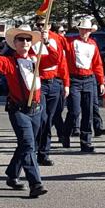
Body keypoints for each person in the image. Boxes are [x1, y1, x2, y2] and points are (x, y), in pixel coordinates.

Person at [0, 25, 56, 198]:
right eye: (21, 39)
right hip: (19, 110)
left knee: (25, 145)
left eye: (28, 40)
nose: (25, 42)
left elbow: (55, 60)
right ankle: (36, 183)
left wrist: (47, 42)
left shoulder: (37, 61)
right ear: (15, 43)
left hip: (36, 109)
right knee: (28, 145)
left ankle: (12, 174)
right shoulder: (10, 62)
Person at [61, 18, 104, 153]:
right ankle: (65, 133)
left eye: (87, 30)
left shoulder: (93, 44)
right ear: (79, 30)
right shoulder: (71, 42)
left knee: (88, 112)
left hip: (89, 79)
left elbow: (97, 64)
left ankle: (86, 142)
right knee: (74, 111)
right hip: (74, 79)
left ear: (90, 32)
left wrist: (101, 81)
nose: (85, 32)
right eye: (83, 29)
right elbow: (59, 43)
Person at [32, 17, 68, 166]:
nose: (41, 27)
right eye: (38, 25)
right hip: (40, 83)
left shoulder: (56, 39)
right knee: (41, 118)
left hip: (54, 82)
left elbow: (61, 61)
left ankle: (44, 153)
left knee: (50, 119)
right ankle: (33, 149)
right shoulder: (32, 40)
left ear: (49, 25)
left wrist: (66, 83)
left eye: (43, 24)